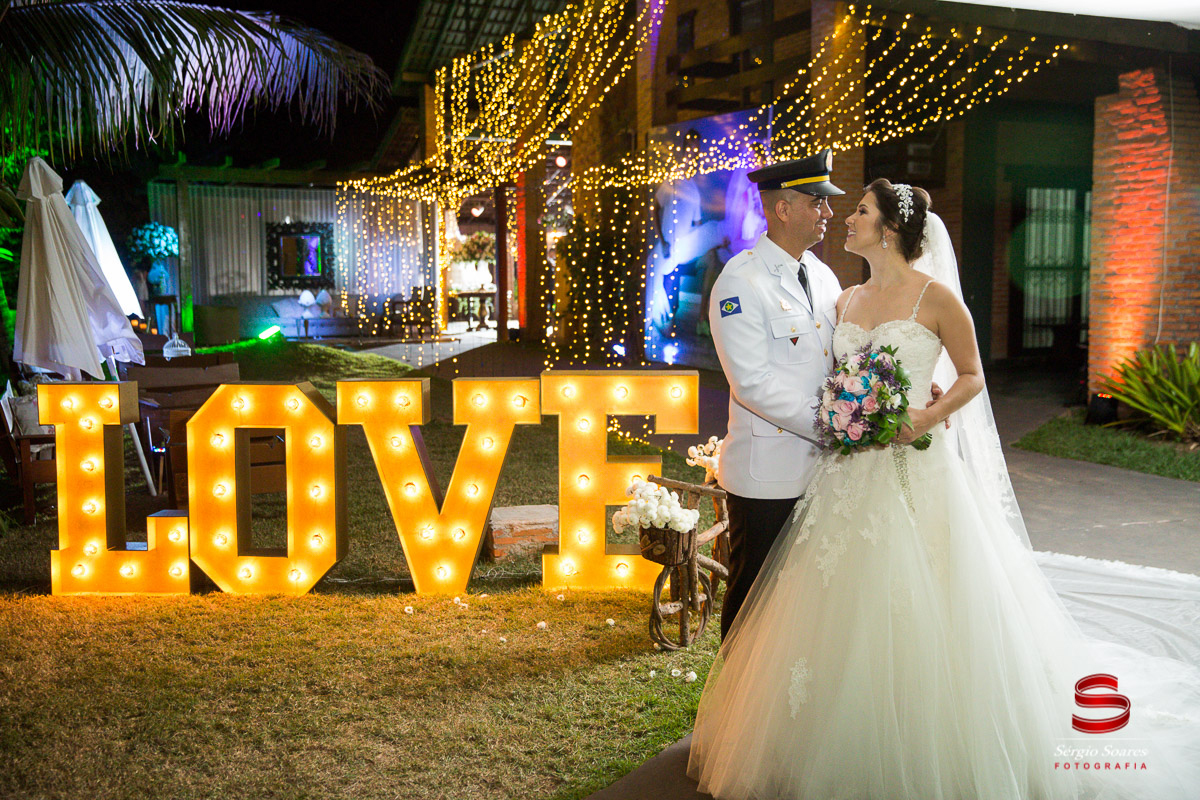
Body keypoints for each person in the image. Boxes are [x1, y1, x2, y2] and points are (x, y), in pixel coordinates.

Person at [688, 180, 1200, 799]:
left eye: (857, 210)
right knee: (788, 610)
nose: (841, 215)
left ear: (892, 230)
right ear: (784, 208)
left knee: (920, 598)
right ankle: (762, 731)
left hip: (901, 467)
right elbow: (775, 379)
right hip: (817, 468)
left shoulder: (862, 286)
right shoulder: (801, 288)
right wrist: (849, 420)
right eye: (827, 205)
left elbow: (966, 374)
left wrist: (921, 408)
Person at [706, 149, 844, 639]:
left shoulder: (823, 275)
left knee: (804, 601)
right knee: (753, 601)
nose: (828, 212)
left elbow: (840, 356)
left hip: (823, 471)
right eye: (817, 202)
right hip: (768, 477)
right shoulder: (740, 283)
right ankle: (732, 708)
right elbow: (752, 383)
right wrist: (833, 424)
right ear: (783, 209)